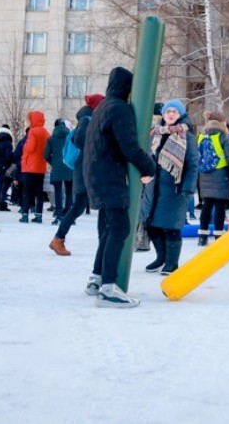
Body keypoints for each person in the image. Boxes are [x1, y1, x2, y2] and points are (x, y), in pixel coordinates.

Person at [83, 67, 156, 308]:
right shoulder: (119, 109)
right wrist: (149, 168)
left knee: (108, 228)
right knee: (120, 228)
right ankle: (108, 289)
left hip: (96, 174)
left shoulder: (103, 106)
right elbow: (130, 147)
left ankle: (97, 278)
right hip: (109, 176)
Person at [140, 100, 199, 275]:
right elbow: (145, 157)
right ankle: (161, 257)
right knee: (150, 224)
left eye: (174, 111)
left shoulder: (186, 137)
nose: (171, 114)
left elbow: (193, 165)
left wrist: (187, 189)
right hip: (152, 187)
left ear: (180, 114)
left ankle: (172, 263)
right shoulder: (155, 134)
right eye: (167, 111)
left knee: (172, 227)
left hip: (175, 188)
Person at [50, 94, 102, 256]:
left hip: (85, 169)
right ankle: (58, 239)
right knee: (81, 207)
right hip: (86, 170)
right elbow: (80, 140)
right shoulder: (87, 119)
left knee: (78, 207)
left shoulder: (88, 118)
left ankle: (58, 239)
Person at [196, 110, 229, 246]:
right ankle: (218, 235)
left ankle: (202, 235)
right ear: (221, 122)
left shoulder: (201, 135)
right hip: (221, 174)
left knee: (206, 206)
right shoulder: (223, 136)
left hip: (204, 175)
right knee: (220, 206)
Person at [20, 111, 50, 224]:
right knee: (39, 192)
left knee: (27, 192)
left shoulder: (32, 131)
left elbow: (30, 147)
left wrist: (25, 146)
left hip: (30, 166)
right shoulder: (46, 132)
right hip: (40, 166)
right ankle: (39, 215)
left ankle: (25, 215)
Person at [44, 118, 73, 224]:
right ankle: (69, 215)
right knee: (69, 191)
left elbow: (46, 155)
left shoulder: (51, 139)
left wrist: (53, 162)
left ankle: (59, 214)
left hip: (56, 168)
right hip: (69, 167)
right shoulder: (70, 137)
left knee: (58, 191)